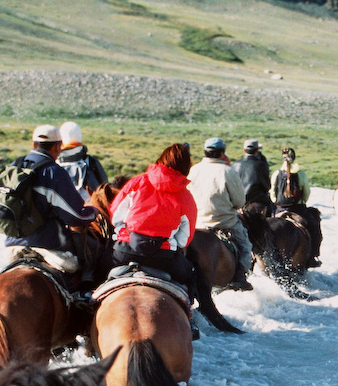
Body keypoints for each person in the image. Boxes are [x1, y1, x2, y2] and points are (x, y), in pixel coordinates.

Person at [109, 143, 201, 339]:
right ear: (185, 167)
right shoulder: (185, 195)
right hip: (163, 257)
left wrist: (125, 233)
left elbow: (116, 214)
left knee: (98, 272)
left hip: (125, 251)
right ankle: (188, 318)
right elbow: (185, 238)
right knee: (190, 275)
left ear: (161, 160)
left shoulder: (137, 182)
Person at [4, 125, 99, 274]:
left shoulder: (15, 166)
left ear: (33, 145)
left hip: (12, 246)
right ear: (58, 147)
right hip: (48, 246)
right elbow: (75, 217)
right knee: (85, 266)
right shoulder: (54, 172)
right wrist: (93, 212)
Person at [187, 137, 254, 291]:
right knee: (245, 246)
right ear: (222, 153)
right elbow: (239, 201)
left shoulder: (194, 170)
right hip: (225, 223)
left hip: (197, 223)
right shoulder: (228, 171)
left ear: (205, 152)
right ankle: (239, 277)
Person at [271, 147, 322, 267]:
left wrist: (277, 203)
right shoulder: (301, 174)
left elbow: (272, 193)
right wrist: (303, 201)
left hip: (279, 209)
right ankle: (313, 256)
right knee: (314, 227)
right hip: (298, 209)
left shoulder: (276, 174)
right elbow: (306, 192)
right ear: (294, 158)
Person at [57, 121, 109, 201]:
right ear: (80, 136)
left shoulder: (53, 165)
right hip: (91, 211)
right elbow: (106, 189)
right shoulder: (92, 163)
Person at [235, 138, 273, 215]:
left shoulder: (235, 165)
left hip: (238, 204)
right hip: (257, 204)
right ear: (257, 151)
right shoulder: (261, 165)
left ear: (244, 150)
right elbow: (267, 186)